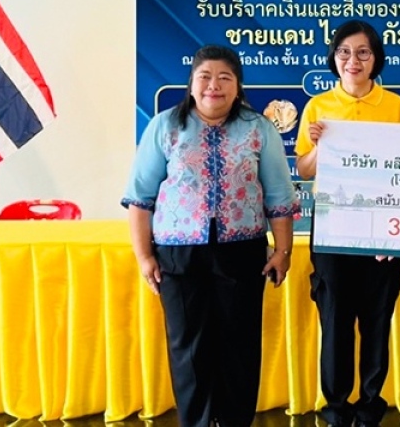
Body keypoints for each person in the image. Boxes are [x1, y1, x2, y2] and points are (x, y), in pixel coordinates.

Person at [123, 44, 299, 427]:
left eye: (224, 78)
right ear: (191, 84)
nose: (213, 86)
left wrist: (283, 250)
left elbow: (279, 195)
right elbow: (140, 197)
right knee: (188, 348)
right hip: (178, 254)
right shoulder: (165, 127)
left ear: (238, 86)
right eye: (204, 77)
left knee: (239, 345)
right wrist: (144, 256)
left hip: (242, 251)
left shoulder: (258, 129)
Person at [294, 19, 400, 427]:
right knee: (335, 318)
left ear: (376, 58)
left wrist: (395, 229)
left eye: (363, 52)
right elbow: (305, 170)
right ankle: (335, 408)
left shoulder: (395, 106)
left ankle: (370, 406)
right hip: (333, 225)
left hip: (383, 227)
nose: (353, 60)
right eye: (344, 52)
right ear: (334, 57)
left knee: (377, 318)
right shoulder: (318, 106)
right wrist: (319, 146)